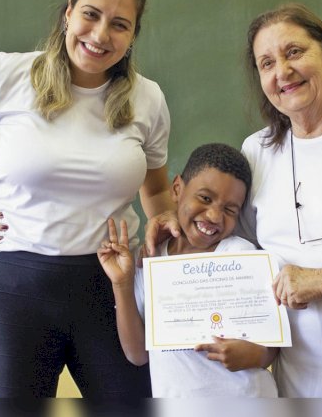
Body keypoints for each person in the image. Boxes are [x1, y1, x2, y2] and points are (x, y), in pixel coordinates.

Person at [144, 3, 322, 397]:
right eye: (267, 63)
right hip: (301, 379)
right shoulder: (256, 152)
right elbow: (229, 249)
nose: (282, 72)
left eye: (294, 52)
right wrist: (170, 221)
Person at [0, 0, 173, 400]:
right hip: (15, 283)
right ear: (69, 12)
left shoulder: (149, 98)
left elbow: (157, 189)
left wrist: (166, 240)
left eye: (120, 24)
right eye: (91, 14)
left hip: (110, 283)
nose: (101, 35)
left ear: (133, 36)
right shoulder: (8, 74)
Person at [99, 143, 278, 397]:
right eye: (205, 198)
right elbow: (137, 355)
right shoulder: (149, 261)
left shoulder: (242, 255)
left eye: (230, 209)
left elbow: (272, 344)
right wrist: (122, 284)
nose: (214, 216)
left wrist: (256, 355)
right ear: (177, 189)